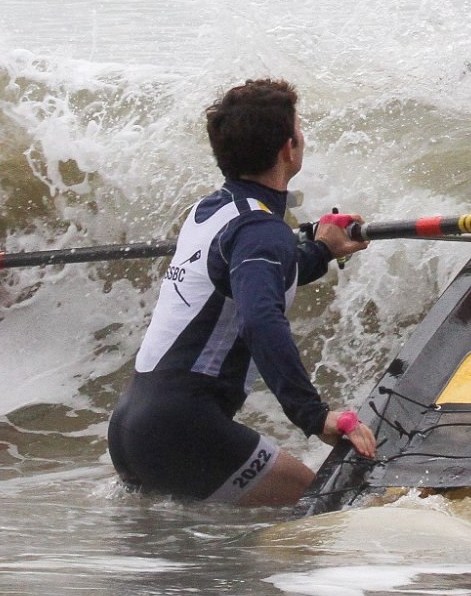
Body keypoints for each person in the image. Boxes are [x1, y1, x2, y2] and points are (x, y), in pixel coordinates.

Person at [108, 78, 378, 506]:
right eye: (299, 127)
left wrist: (322, 250)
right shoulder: (260, 229)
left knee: (186, 573)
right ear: (288, 148)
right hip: (182, 429)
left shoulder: (209, 211)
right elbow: (259, 319)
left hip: (130, 429)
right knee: (332, 512)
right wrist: (315, 416)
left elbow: (249, 281)